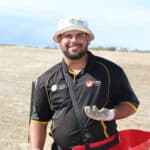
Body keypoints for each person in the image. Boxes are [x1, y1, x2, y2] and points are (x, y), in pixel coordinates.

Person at [29, 16, 140, 150]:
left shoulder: (110, 71)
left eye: (80, 35)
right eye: (68, 36)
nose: (74, 40)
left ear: (88, 39)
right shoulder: (47, 79)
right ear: (59, 40)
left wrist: (111, 114)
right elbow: (39, 121)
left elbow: (131, 104)